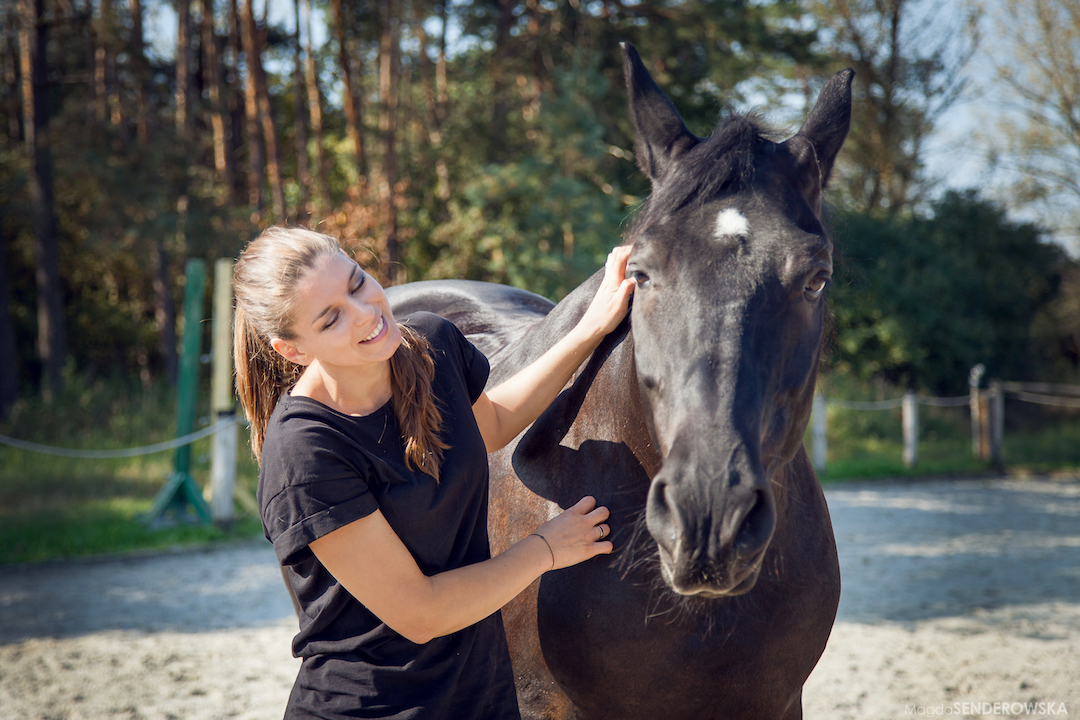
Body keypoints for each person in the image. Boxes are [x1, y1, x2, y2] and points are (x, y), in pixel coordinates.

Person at [232, 226, 635, 720]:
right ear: (292, 350)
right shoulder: (305, 450)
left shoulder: (431, 344)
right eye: (331, 318)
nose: (366, 314)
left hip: (481, 696)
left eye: (357, 283)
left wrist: (590, 326)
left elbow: (491, 425)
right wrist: (546, 549)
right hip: (376, 708)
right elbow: (421, 613)